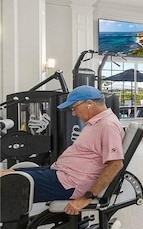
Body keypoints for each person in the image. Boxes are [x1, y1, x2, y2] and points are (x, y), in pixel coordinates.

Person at [1, 86, 124, 215]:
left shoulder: (108, 126)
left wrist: (87, 198)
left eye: (74, 107)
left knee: (10, 182)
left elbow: (116, 164)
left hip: (69, 183)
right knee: (9, 172)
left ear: (89, 104)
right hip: (60, 173)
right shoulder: (97, 123)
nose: (73, 113)